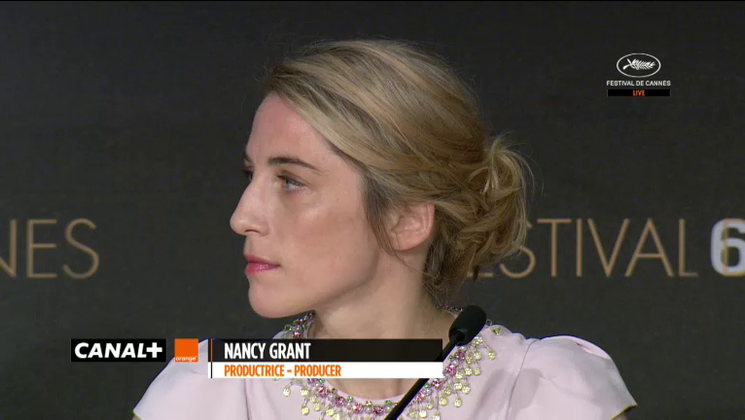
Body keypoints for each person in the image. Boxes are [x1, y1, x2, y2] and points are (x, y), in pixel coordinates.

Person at [133, 39, 637, 419]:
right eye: (252, 175)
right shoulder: (212, 392)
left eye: (290, 181)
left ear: (407, 218)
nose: (242, 217)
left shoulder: (541, 394)